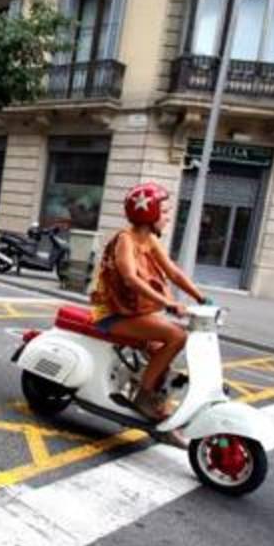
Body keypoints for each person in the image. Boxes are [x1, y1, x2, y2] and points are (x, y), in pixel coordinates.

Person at [90, 182, 208, 424]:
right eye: (163, 212)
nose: (167, 218)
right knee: (177, 336)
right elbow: (130, 279)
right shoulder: (126, 240)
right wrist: (168, 303)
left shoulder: (149, 240)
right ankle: (143, 398)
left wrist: (200, 297)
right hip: (114, 314)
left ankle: (150, 394)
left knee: (160, 351)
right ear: (148, 213)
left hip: (134, 312)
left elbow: (173, 272)